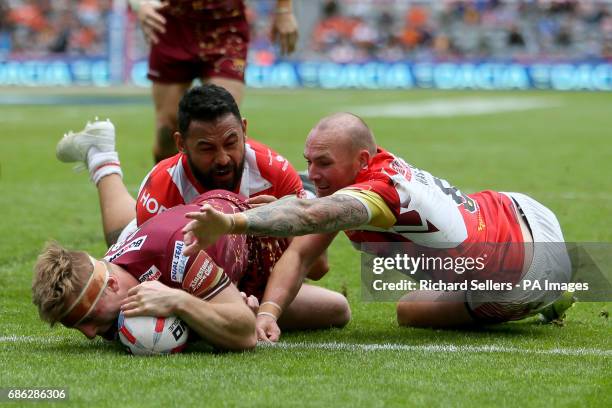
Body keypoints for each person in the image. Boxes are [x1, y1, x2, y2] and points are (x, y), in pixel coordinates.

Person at [181, 112, 573, 340]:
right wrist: (268, 313)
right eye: (309, 161)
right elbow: (301, 252)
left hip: (525, 274)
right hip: (518, 207)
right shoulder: (366, 176)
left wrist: (234, 222)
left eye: (323, 163)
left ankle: (551, 295)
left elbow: (308, 217)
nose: (313, 174)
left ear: (361, 158)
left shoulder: (376, 195)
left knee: (410, 311)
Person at [54, 85, 349, 334]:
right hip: (184, 272)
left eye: (231, 142)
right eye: (207, 148)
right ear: (181, 143)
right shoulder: (163, 187)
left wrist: (280, 225)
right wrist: (216, 307)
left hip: (245, 277)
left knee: (337, 310)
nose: (223, 158)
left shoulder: (274, 173)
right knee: (120, 236)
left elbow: (317, 265)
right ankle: (102, 158)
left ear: (244, 129)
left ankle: (100, 156)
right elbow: (155, 280)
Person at [32, 190, 348, 351]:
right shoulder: (109, 278)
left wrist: (180, 302)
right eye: (75, 326)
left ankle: (102, 159)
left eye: (86, 318)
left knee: (335, 305)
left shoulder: (181, 250)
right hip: (192, 258)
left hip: (251, 241)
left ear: (112, 285)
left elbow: (243, 335)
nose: (89, 334)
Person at [128, 0, 299, 162]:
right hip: (172, 24)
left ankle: (222, 192)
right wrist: (140, 4)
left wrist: (284, 10)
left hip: (226, 25)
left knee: (223, 122)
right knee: (167, 130)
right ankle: (167, 188)